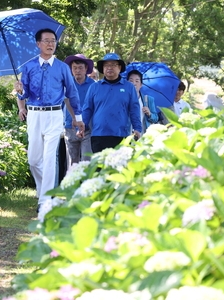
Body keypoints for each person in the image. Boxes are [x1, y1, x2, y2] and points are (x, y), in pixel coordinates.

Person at [14, 28, 84, 211]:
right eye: (46, 41)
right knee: (33, 160)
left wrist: (78, 117)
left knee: (49, 157)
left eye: (53, 41)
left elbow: (72, 93)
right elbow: (25, 94)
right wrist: (20, 92)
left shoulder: (62, 68)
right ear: (38, 44)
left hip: (54, 115)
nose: (50, 44)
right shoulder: (28, 67)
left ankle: (44, 201)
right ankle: (42, 190)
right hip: (34, 114)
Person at [81, 53, 142, 153]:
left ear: (119, 67)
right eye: (106, 65)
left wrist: (137, 128)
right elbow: (87, 108)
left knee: (119, 167)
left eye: (113, 65)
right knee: (100, 168)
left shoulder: (129, 87)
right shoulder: (94, 87)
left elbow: (134, 109)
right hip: (99, 135)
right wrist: (82, 127)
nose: (109, 68)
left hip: (121, 135)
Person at [63, 54, 95, 168]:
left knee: (87, 161)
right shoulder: (66, 83)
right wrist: (74, 119)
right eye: (74, 68)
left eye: (80, 68)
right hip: (70, 126)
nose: (77, 71)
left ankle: (86, 185)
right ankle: (72, 186)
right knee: (72, 163)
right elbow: (66, 101)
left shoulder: (93, 85)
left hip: (87, 128)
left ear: (86, 69)